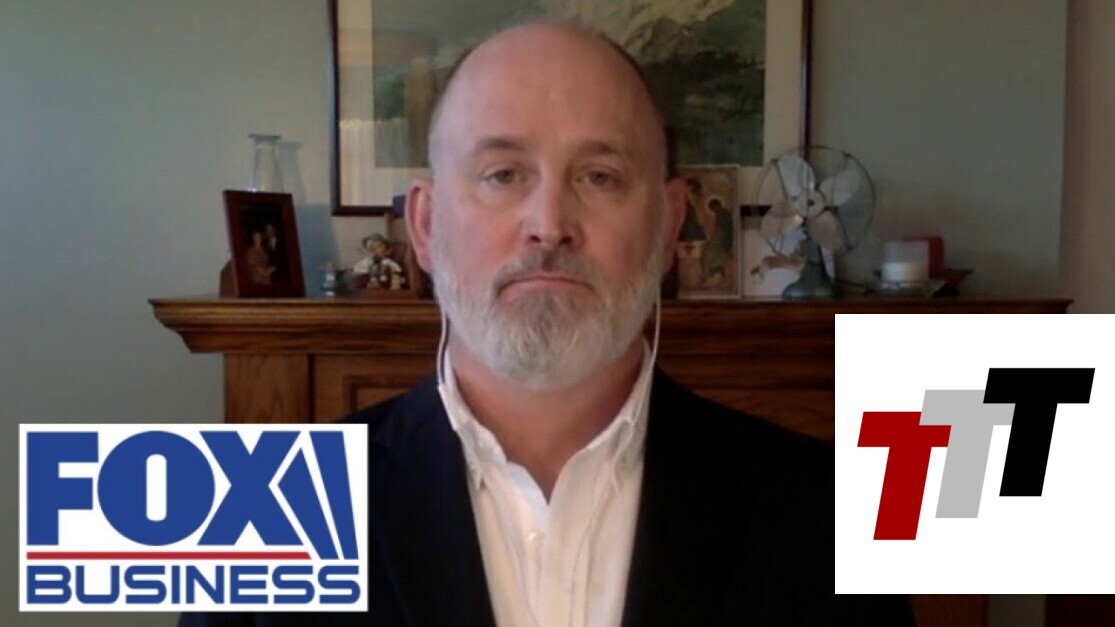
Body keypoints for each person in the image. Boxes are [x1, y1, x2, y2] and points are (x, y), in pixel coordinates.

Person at [181, 20, 912, 627]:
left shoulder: (829, 515)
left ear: (669, 227)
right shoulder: (256, 512)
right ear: (425, 226)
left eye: (599, 177)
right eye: (503, 174)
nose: (549, 223)